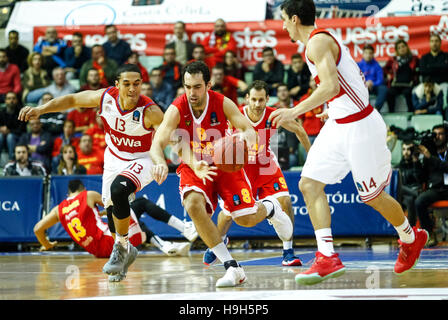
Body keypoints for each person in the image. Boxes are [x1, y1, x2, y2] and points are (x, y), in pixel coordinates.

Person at [271, 0, 428, 286]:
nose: (282, 25)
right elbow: (344, 83)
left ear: (295, 18)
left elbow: (331, 85)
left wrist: (293, 110)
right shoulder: (317, 43)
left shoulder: (317, 42)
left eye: (284, 19)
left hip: (361, 127)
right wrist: (335, 107)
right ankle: (327, 256)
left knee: (372, 197)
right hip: (339, 124)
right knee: (309, 184)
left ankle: (410, 236)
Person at [149, 61, 293, 287]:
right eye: (187, 87)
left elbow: (247, 129)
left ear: (208, 84)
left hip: (225, 165)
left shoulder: (223, 102)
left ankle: (271, 208)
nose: (192, 92)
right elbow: (158, 142)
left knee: (245, 219)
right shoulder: (177, 108)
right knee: (193, 205)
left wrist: (248, 143)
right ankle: (232, 267)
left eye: (197, 87)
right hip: (194, 164)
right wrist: (159, 162)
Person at [19, 63, 165, 283]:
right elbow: (71, 100)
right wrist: (40, 109)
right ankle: (126, 253)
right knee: (111, 208)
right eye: (127, 84)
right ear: (117, 85)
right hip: (114, 157)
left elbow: (171, 136)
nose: (133, 89)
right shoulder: (105, 97)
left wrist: (166, 161)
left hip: (141, 159)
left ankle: (122, 247)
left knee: (119, 191)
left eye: (137, 84)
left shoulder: (151, 111)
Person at [202, 80, 310, 267]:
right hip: (239, 168)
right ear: (247, 99)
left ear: (268, 99)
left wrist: (312, 156)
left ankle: (288, 252)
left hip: (265, 164)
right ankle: (219, 242)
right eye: (254, 99)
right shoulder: (235, 114)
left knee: (285, 201)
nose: (257, 104)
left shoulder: (274, 115)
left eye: (261, 100)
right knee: (228, 214)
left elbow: (299, 130)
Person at [34, 180, 197, 275]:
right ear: (81, 189)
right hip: (111, 243)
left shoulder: (59, 209)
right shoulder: (88, 195)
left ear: (68, 194)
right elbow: (112, 206)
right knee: (140, 204)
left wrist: (47, 244)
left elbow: (37, 229)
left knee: (136, 225)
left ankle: (165, 246)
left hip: (98, 253)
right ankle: (184, 229)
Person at [415, 124, 448, 246]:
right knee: (419, 201)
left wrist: (430, 157)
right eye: (435, 134)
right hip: (436, 189)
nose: (437, 137)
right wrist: (416, 162)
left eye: (440, 134)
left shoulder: (431, 155)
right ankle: (429, 235)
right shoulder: (429, 153)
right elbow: (421, 177)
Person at [396, 141, 425, 229]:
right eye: (404, 149)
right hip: (404, 192)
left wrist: (416, 162)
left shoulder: (418, 164)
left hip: (413, 192)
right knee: (399, 187)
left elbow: (420, 179)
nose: (406, 152)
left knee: (410, 199)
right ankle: (410, 230)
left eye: (409, 149)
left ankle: (410, 229)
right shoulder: (399, 166)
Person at [384, 40, 419, 113]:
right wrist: (388, 74)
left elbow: (419, 70)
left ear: (407, 47)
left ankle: (411, 112)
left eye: (403, 46)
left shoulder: (414, 59)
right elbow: (385, 69)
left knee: (407, 93)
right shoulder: (393, 60)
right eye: (399, 48)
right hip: (396, 84)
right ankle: (391, 112)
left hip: (409, 84)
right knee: (390, 93)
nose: (402, 49)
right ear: (397, 50)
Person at [419, 33, 448, 105]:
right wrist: (440, 67)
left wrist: (430, 67)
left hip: (443, 83)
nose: (434, 43)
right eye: (432, 41)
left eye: (436, 41)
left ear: (440, 43)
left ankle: (443, 113)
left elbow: (446, 70)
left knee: (444, 93)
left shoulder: (446, 56)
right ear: (429, 43)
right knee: (415, 92)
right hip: (427, 84)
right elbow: (422, 71)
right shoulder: (424, 57)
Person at [357, 45, 388, 112]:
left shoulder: (377, 65)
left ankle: (376, 109)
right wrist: (365, 84)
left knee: (383, 88)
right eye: (366, 53)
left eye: (370, 53)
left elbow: (380, 79)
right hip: (363, 87)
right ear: (363, 54)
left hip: (374, 87)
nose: (368, 55)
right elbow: (355, 79)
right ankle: (364, 111)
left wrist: (372, 83)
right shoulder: (357, 65)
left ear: (373, 54)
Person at [0, 92, 26, 161]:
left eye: (13, 98)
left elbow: (21, 130)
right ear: (5, 101)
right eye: (9, 98)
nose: (11, 100)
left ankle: (12, 159)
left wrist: (9, 131)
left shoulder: (21, 112)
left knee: (10, 136)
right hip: (4, 137)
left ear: (17, 100)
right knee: (0, 135)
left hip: (17, 137)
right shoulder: (1, 112)